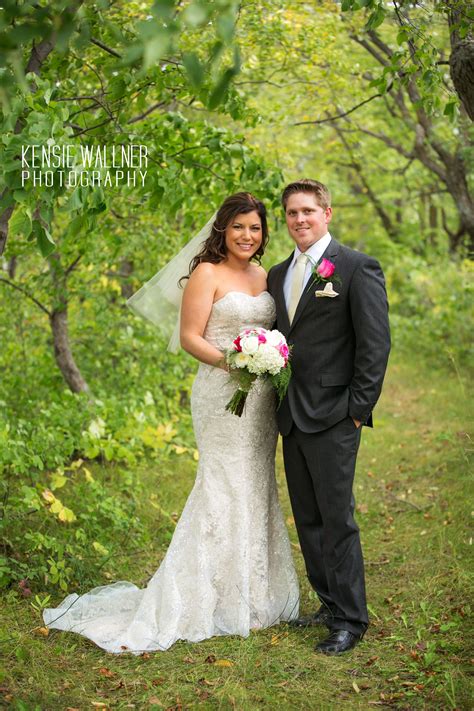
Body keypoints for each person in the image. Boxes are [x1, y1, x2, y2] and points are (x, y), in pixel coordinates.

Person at [43, 192, 299, 653]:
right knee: (222, 483)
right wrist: (235, 361)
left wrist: (268, 359)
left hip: (260, 399)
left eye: (256, 227)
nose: (248, 235)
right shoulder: (207, 273)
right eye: (239, 226)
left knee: (257, 482)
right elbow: (189, 338)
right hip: (222, 393)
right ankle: (203, 597)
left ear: (264, 233)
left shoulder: (265, 275)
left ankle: (256, 595)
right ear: (223, 228)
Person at [267, 179, 390, 656]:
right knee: (309, 517)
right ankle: (327, 602)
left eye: (308, 211)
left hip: (336, 415)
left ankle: (350, 620)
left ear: (327, 214)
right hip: (291, 416)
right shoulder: (278, 273)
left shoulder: (357, 268)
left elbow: (375, 345)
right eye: (292, 213)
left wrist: (356, 412)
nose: (300, 219)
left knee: (337, 519)